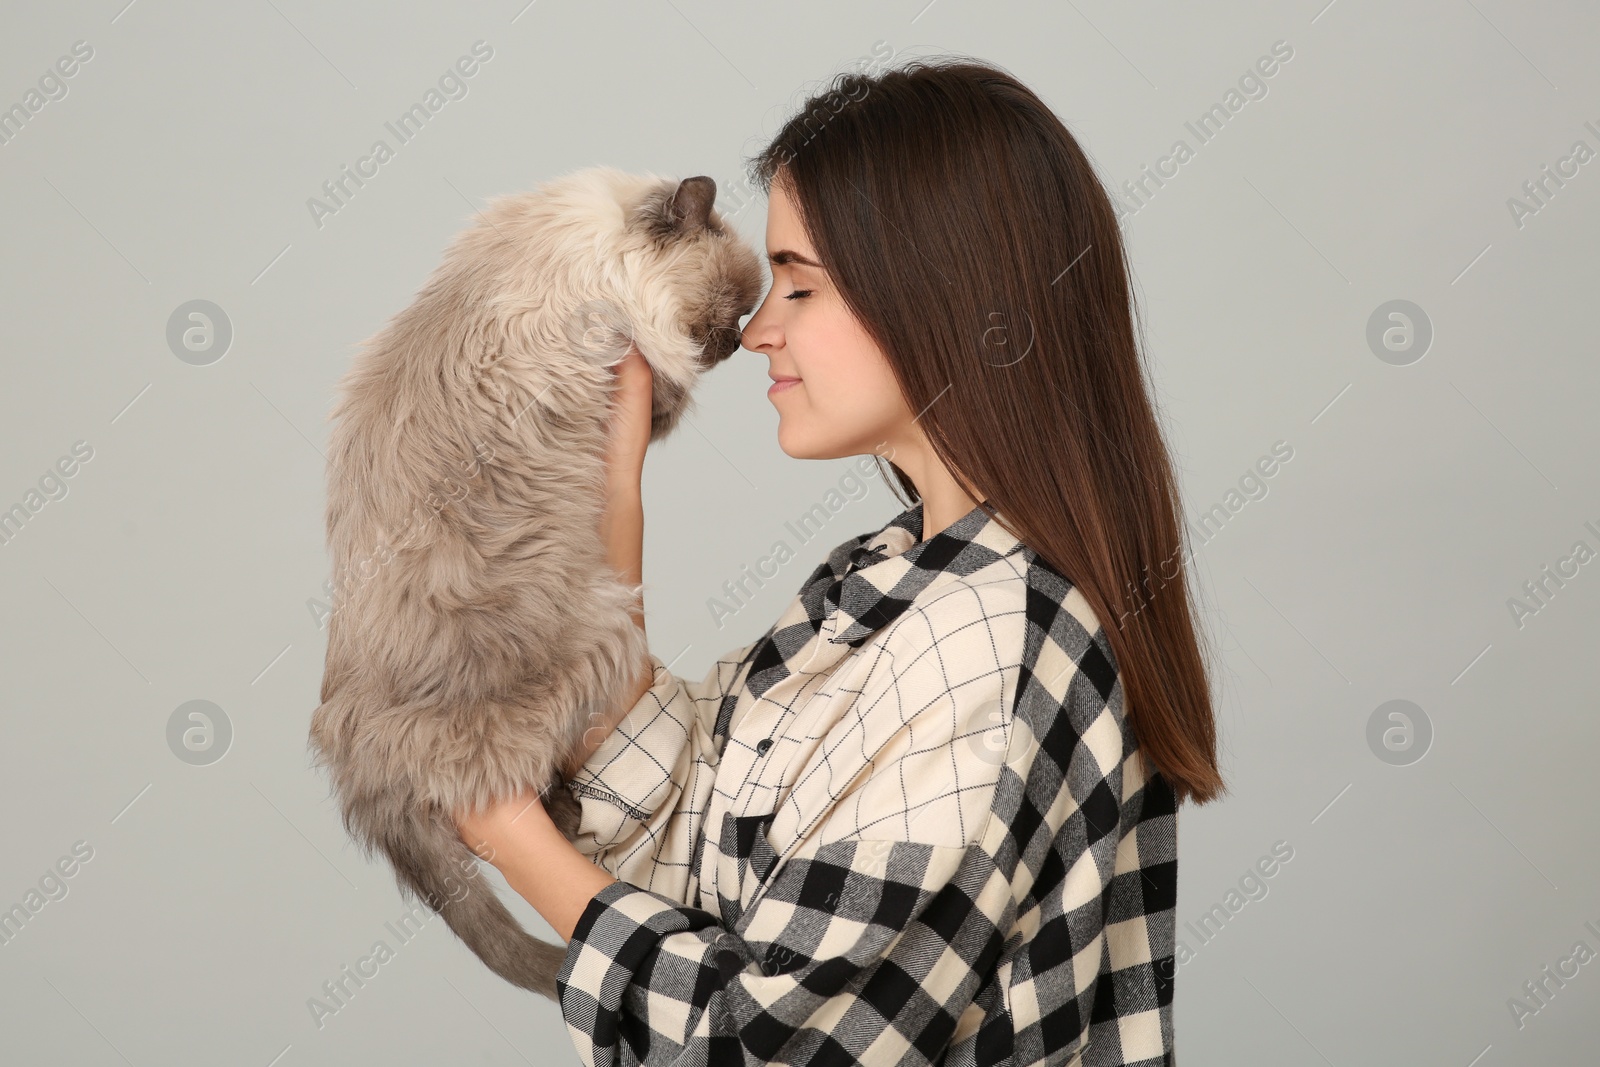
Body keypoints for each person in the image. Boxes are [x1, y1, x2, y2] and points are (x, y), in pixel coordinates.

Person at [456, 56, 1225, 1067]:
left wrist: (506, 830)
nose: (758, 328)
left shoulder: (991, 648)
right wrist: (616, 496)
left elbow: (768, 1047)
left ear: (943, 297)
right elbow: (697, 839)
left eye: (800, 285)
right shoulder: (894, 577)